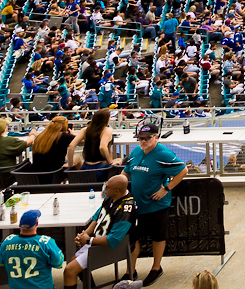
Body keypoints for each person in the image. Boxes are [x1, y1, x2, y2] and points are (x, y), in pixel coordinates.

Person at [125, 123, 192, 285]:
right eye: (140, 138)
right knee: (133, 238)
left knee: (158, 237)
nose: (143, 141)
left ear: (156, 137)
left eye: (147, 138)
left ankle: (156, 268)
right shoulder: (136, 151)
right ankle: (130, 270)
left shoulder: (163, 153)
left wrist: (166, 189)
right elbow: (126, 171)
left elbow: (183, 170)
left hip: (156, 206)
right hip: (135, 205)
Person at [66, 174, 138, 288]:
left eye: (107, 187)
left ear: (116, 191)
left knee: (69, 270)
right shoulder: (111, 197)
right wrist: (85, 234)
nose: (104, 189)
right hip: (98, 242)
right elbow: (97, 216)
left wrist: (88, 240)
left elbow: (113, 239)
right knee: (72, 262)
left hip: (111, 247)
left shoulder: (126, 209)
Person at [0, 210, 65, 289]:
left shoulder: (7, 242)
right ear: (36, 224)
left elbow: (0, 263)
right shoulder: (46, 243)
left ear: (19, 225)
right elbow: (59, 264)